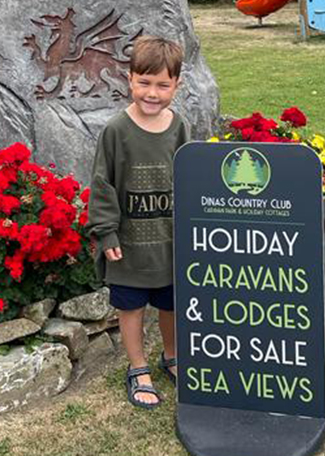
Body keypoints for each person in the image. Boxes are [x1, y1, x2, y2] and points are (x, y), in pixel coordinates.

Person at [86, 35, 190, 409]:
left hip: (170, 242)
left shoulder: (180, 127)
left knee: (172, 305)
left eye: (163, 85)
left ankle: (172, 356)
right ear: (129, 80)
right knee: (130, 308)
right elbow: (102, 185)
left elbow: (192, 179)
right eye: (144, 83)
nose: (153, 93)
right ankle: (138, 367)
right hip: (128, 246)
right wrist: (106, 230)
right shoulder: (116, 131)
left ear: (177, 85)